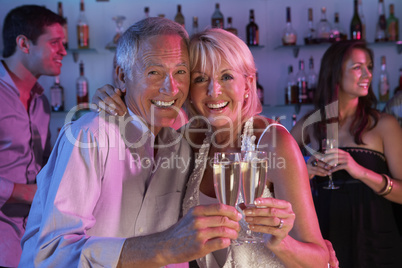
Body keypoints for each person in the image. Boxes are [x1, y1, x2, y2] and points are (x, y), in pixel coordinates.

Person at [94, 28, 331, 267]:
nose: (213, 91)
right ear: (187, 88)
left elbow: (321, 259)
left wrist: (280, 241)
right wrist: (117, 98)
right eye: (200, 79)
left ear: (248, 85)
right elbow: (140, 142)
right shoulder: (191, 140)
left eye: (226, 76)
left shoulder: (273, 143)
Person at [19, 17, 242, 267]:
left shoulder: (181, 145)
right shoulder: (91, 136)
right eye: (154, 72)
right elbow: (52, 254)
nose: (171, 88)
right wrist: (165, 247)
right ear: (122, 77)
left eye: (180, 72)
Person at [291, 40, 402, 268]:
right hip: (325, 239)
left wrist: (360, 171)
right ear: (335, 72)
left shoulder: (384, 125)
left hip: (375, 241)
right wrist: (304, 171)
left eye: (369, 67)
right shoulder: (310, 124)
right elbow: (275, 170)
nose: (368, 74)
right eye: (357, 67)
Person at [0, 5, 67, 267]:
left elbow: (46, 162)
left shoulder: (41, 101)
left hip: (38, 238)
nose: (63, 50)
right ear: (24, 44)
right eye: (54, 43)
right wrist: (23, 192)